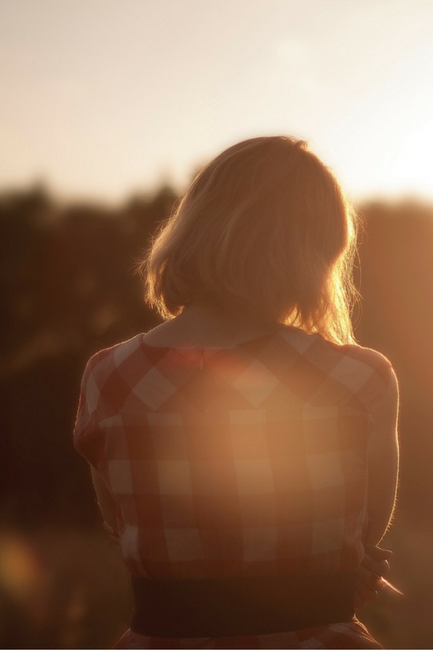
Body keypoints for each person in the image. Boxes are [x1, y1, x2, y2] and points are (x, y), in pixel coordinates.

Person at [73, 136, 399, 649]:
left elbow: (125, 529)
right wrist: (327, 572)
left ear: (195, 226)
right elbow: (364, 535)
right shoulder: (358, 378)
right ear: (315, 251)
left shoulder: (108, 376)